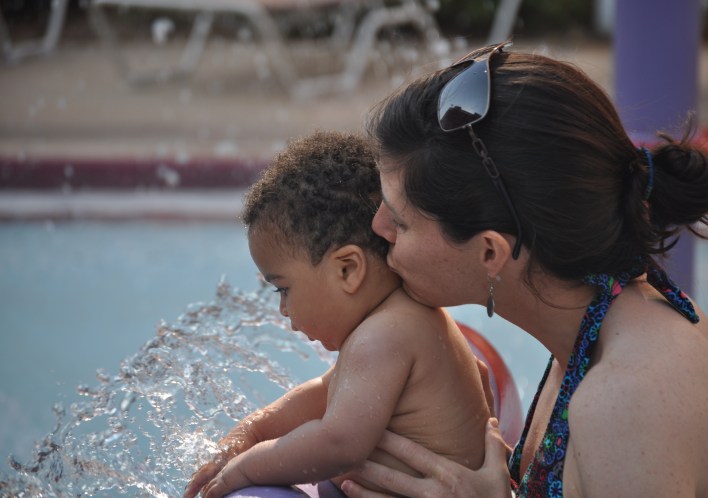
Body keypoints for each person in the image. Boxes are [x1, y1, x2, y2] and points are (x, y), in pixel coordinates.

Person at [339, 42, 708, 497]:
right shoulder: (610, 317)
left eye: (399, 221)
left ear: (490, 252)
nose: (377, 227)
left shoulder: (626, 403)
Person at [183, 131, 492, 498]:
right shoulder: (402, 318)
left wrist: (246, 467)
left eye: (284, 289)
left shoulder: (385, 334)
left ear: (348, 269)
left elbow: (338, 444)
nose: (283, 310)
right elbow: (321, 393)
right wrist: (249, 433)